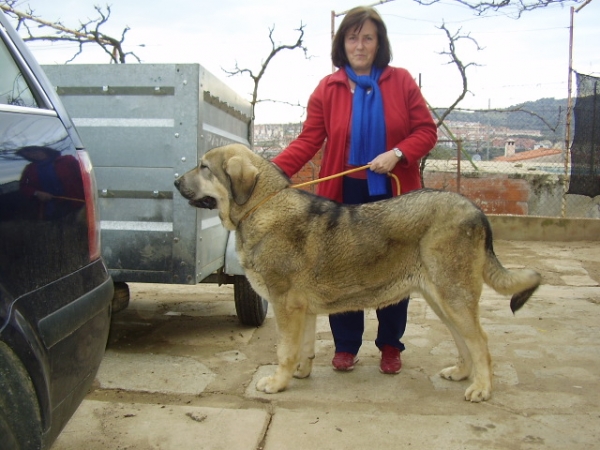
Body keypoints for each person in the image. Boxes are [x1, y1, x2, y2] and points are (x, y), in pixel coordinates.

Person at [272, 6, 438, 374]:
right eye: (352, 37)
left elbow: (426, 131)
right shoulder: (327, 88)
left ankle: (391, 345)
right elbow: (309, 139)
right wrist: (270, 172)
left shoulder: (402, 82)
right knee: (339, 271)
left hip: (392, 197)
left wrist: (397, 153)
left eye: (367, 37)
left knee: (393, 269)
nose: (359, 45)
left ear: (379, 43)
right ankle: (346, 345)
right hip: (342, 196)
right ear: (341, 43)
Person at [18, 146, 85, 220]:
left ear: (44, 149)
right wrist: (37, 193)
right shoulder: (30, 169)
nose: (33, 155)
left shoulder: (67, 160)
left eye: (35, 151)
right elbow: (24, 187)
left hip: (78, 202)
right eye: (28, 154)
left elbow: (85, 176)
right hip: (52, 209)